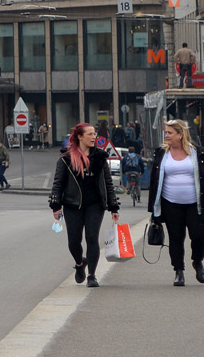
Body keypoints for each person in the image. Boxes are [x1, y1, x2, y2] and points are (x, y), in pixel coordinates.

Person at [49, 122, 120, 288]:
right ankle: (80, 264)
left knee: (91, 238)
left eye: (94, 133)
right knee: (74, 241)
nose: (94, 136)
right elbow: (58, 183)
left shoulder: (100, 157)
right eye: (90, 134)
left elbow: (107, 183)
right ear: (80, 136)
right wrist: (55, 205)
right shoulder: (66, 159)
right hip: (72, 205)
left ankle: (92, 275)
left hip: (95, 204)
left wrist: (113, 206)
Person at [146, 118, 204, 286]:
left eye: (170, 133)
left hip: (195, 203)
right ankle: (178, 271)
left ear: (180, 135)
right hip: (170, 202)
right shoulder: (161, 153)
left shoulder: (198, 152)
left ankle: (197, 261)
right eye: (166, 132)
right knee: (175, 237)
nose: (166, 136)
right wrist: (153, 208)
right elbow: (154, 180)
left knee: (198, 235)